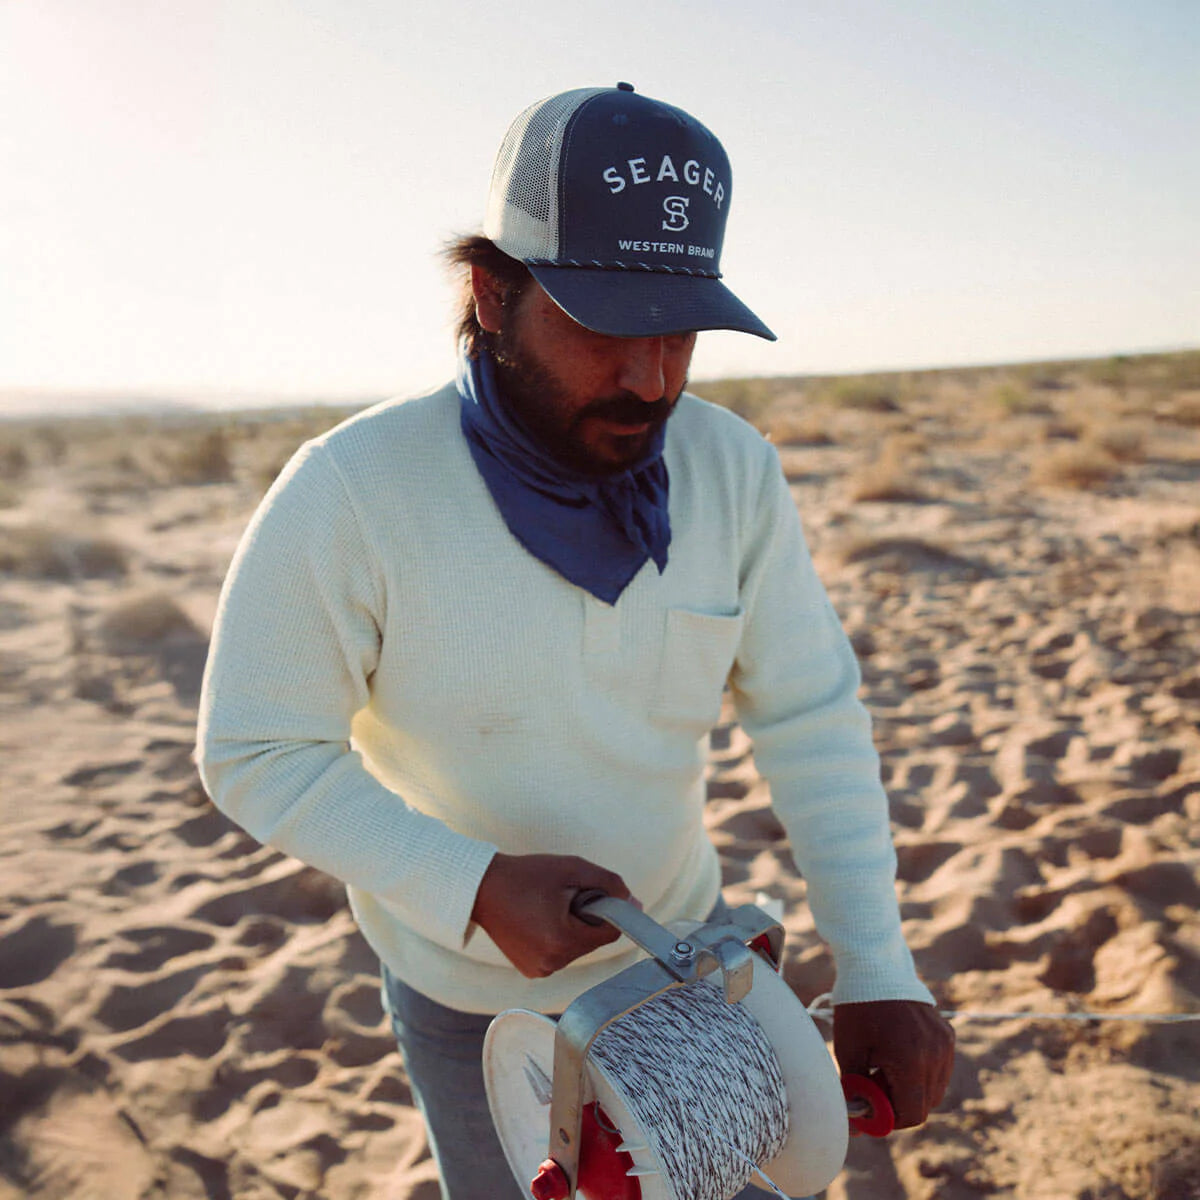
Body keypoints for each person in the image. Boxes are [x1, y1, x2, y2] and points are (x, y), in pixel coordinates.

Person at [197, 82, 954, 1199]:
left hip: (690, 971)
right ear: (491, 293)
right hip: (469, 1000)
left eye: (682, 330)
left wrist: (880, 964)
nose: (654, 380)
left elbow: (807, 714)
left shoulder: (730, 468)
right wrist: (469, 883)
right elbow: (254, 750)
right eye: (607, 325)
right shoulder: (354, 490)